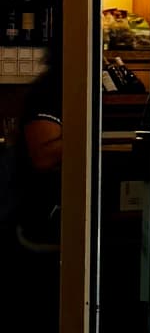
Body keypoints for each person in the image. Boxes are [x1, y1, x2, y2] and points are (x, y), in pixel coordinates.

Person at [3, 40, 62, 331]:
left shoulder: (81, 86)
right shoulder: (48, 90)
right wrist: (90, 133)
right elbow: (44, 156)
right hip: (40, 221)